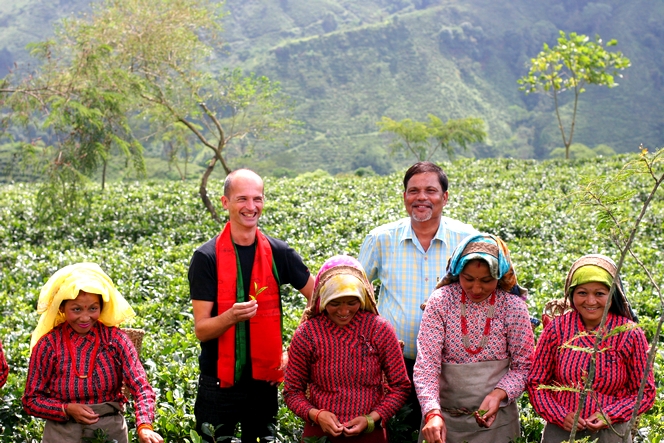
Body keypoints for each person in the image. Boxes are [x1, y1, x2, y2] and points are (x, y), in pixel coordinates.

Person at [188, 168, 315, 443]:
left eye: (257, 199)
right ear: (225, 202)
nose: (251, 207)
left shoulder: (279, 253)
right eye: (242, 199)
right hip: (217, 383)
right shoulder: (205, 257)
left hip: (264, 382)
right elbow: (203, 330)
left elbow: (319, 297)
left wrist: (292, 351)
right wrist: (230, 317)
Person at [358, 161, 477, 433]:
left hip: (450, 365)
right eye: (413, 191)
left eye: (430, 190)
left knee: (445, 432)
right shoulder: (381, 239)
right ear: (404, 197)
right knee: (396, 430)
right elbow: (355, 291)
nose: (421, 197)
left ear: (445, 197)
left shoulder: (466, 239)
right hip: (392, 362)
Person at [22, 262, 163, 443]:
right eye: (76, 309)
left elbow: (141, 386)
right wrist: (65, 409)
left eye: (93, 308)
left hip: (110, 431)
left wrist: (144, 426)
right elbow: (31, 399)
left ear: (102, 307)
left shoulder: (115, 340)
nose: (85, 317)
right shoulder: (49, 345)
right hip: (62, 434)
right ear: (62, 308)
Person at [414, 234, 534, 443]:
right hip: (443, 422)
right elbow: (427, 366)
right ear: (458, 271)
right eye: (468, 279)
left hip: (498, 423)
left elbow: (523, 366)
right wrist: (432, 413)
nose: (476, 289)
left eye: (487, 281)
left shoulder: (513, 307)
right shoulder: (441, 302)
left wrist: (498, 395)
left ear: (499, 276)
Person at [527, 254, 656, 443]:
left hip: (612, 433)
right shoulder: (557, 329)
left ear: (613, 295)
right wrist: (560, 415)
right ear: (572, 295)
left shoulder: (629, 334)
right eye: (582, 293)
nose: (590, 301)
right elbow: (536, 383)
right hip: (560, 433)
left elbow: (644, 391)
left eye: (599, 294)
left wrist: (610, 414)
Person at [283, 255, 411, 442]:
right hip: (320, 433)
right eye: (334, 304)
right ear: (323, 298)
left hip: (370, 434)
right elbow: (292, 391)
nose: (344, 311)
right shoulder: (308, 334)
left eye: (352, 302)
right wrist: (317, 415)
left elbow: (400, 386)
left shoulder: (379, 329)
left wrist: (371, 419)